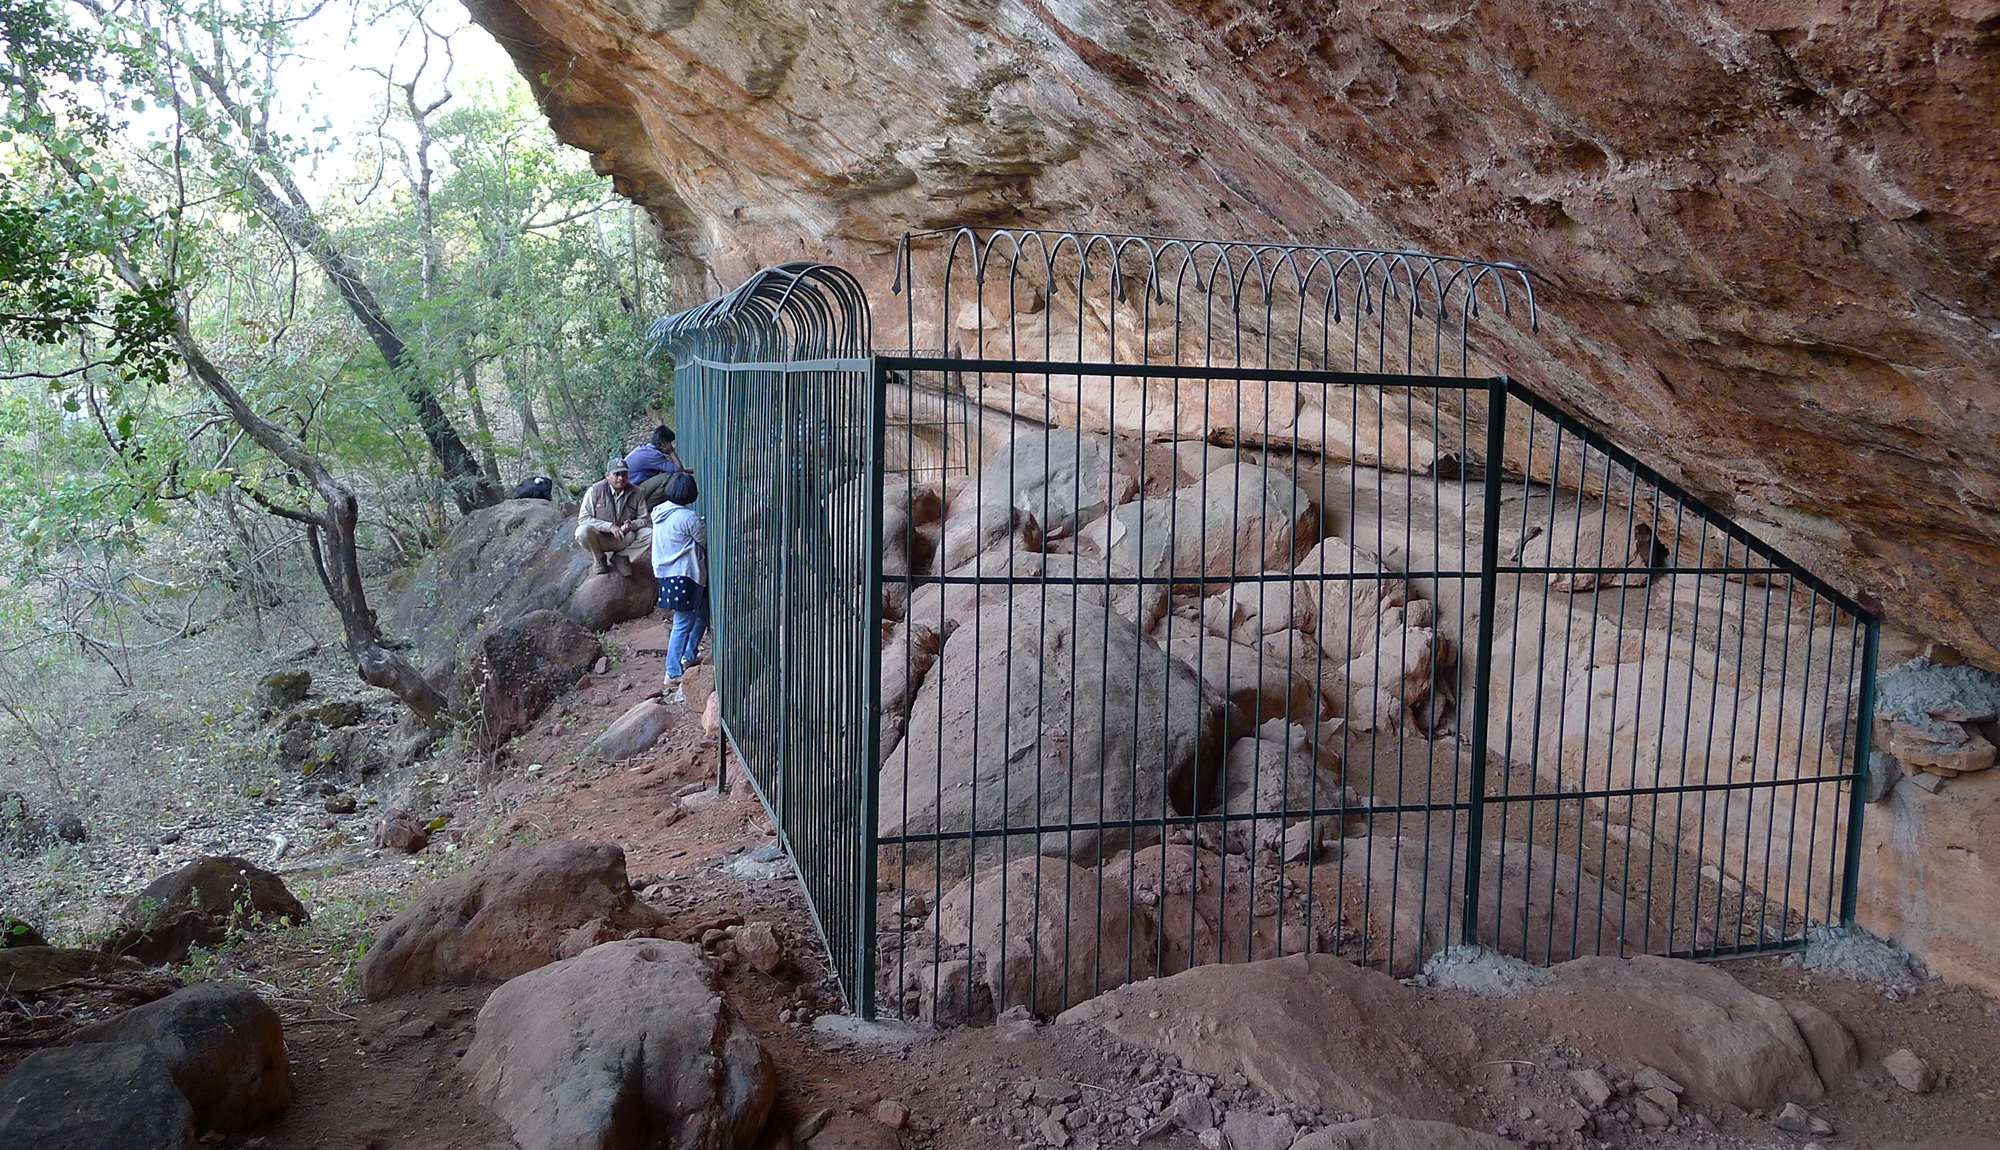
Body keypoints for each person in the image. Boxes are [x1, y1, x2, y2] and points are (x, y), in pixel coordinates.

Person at [650, 471, 707, 700]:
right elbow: (703, 539)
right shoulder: (687, 517)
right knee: (682, 623)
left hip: (667, 575)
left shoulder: (660, 513)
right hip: (685, 574)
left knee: (702, 614)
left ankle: (689, 654)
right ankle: (672, 671)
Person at [576, 459, 650, 576]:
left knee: (649, 534)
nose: (621, 478)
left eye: (624, 474)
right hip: (600, 538)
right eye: (616, 474)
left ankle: (622, 557)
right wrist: (609, 526)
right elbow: (583, 518)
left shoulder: (637, 492)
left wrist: (632, 525)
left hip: (625, 537)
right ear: (607, 475)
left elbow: (644, 519)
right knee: (582, 531)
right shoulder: (594, 490)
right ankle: (599, 558)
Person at [626, 425, 690, 508]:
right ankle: (646, 508)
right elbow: (678, 471)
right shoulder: (654, 455)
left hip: (631, 490)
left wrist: (687, 471)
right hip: (632, 494)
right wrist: (671, 452)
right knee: (668, 477)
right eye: (669, 443)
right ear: (662, 444)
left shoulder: (646, 448)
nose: (671, 446)